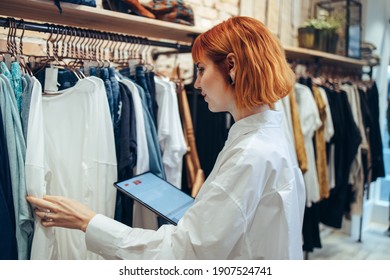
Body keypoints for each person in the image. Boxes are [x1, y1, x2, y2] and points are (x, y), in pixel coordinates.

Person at [27, 16, 306, 259]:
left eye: (201, 69)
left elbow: (185, 252)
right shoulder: (269, 134)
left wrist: (88, 221)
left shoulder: (250, 153)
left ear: (231, 66)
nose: (196, 83)